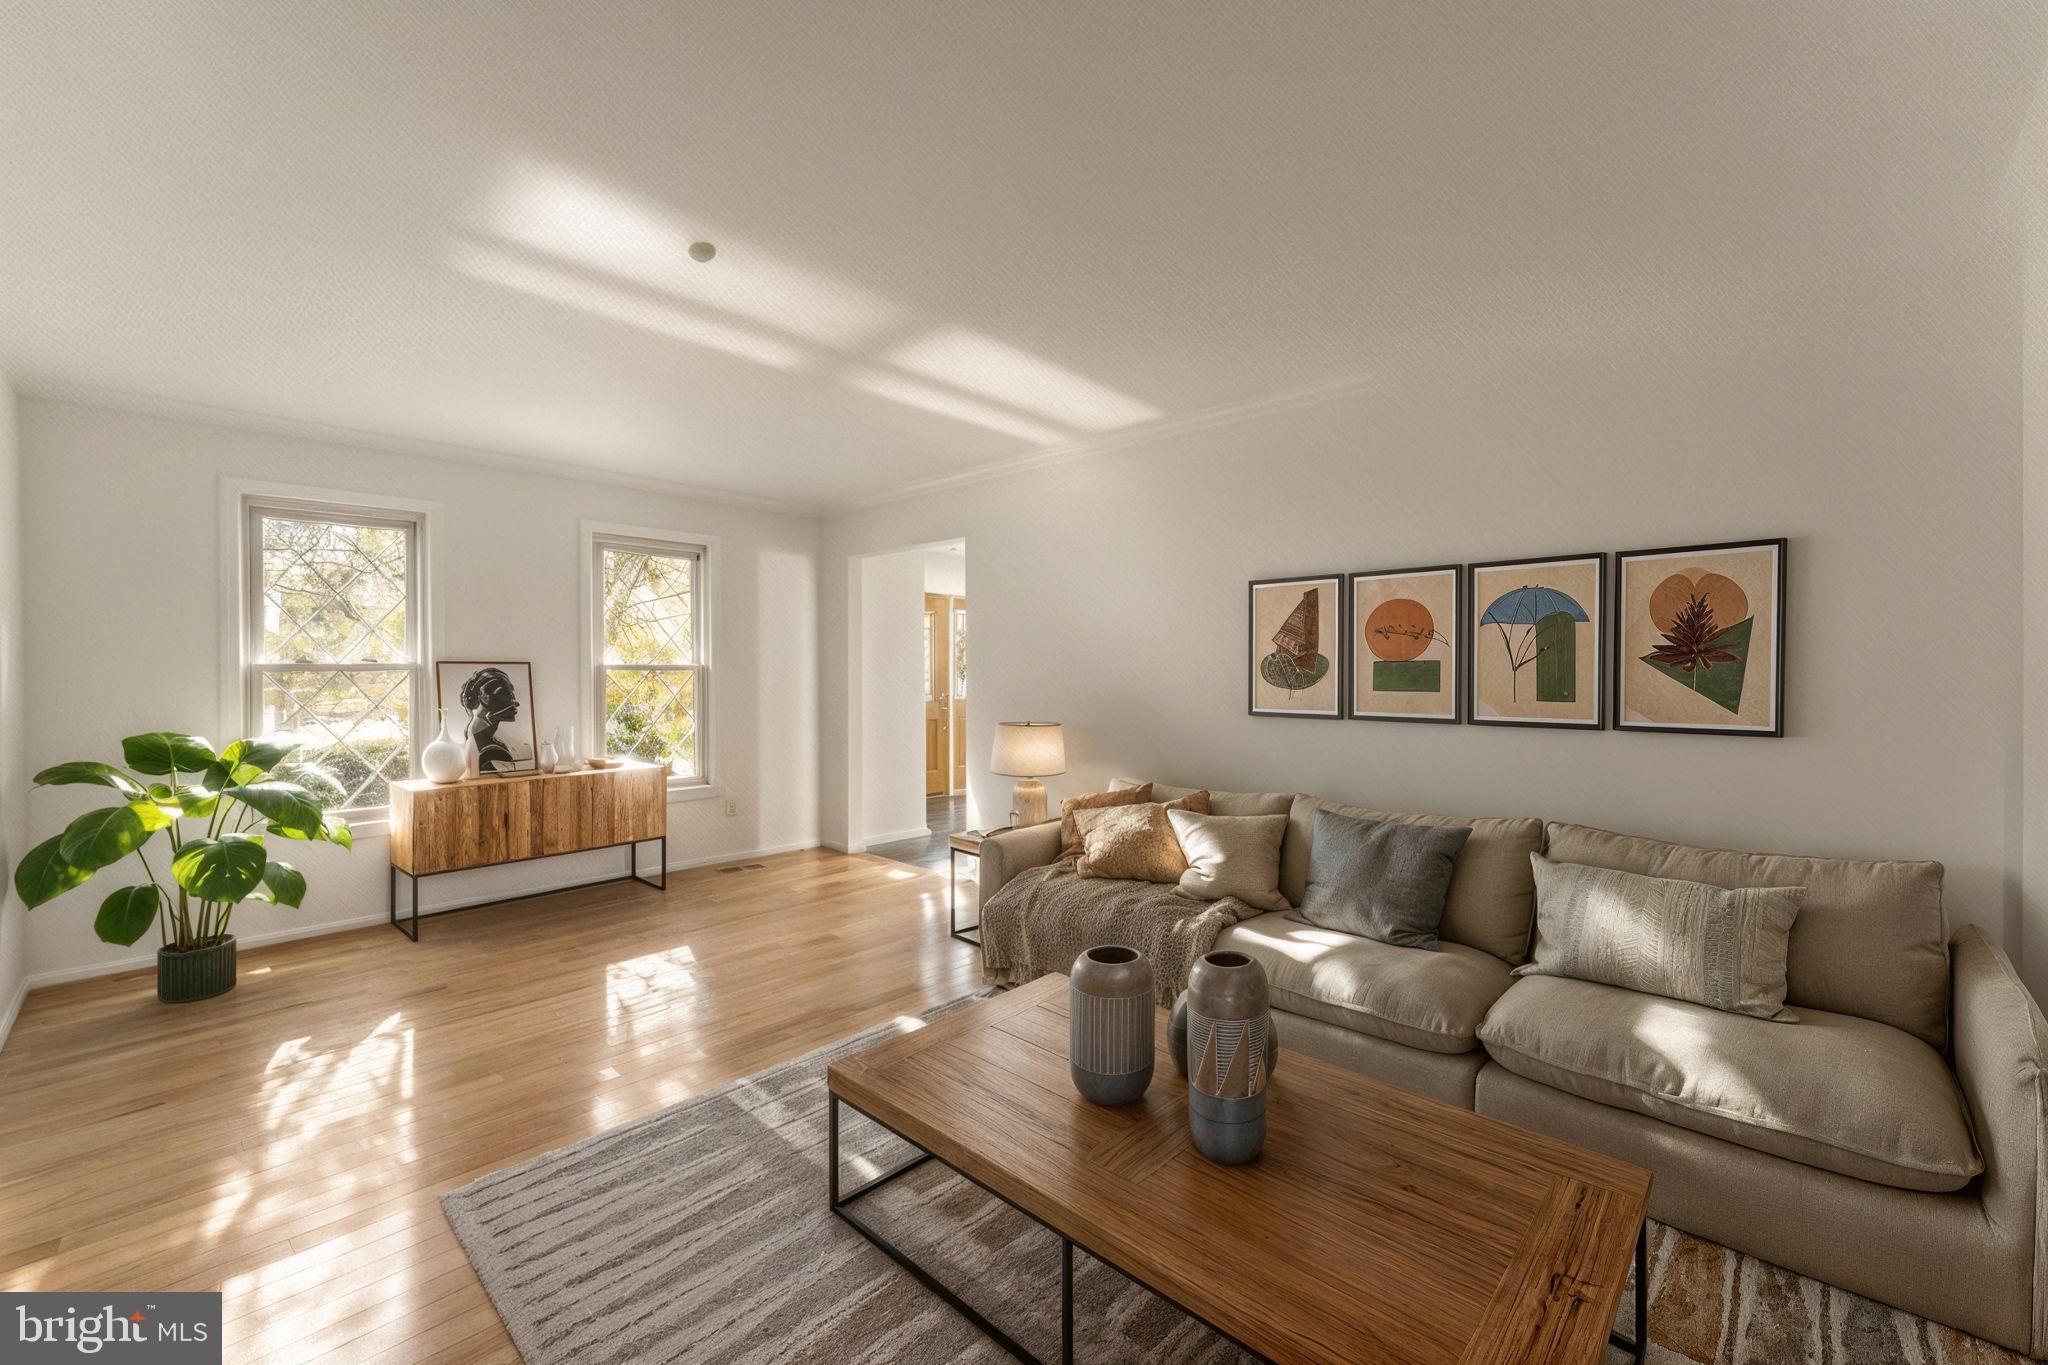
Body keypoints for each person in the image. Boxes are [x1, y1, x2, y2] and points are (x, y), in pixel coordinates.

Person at [459, 667, 523, 773]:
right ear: (484, 698)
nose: (515, 703)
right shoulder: (493, 752)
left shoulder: (480, 738)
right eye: (504, 695)